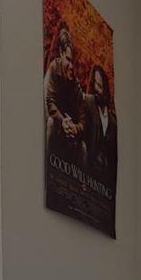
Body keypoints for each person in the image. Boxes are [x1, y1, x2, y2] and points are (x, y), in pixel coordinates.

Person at [43, 22, 86, 172]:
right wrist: (63, 121)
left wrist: (75, 128)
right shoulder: (54, 69)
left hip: (70, 134)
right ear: (61, 53)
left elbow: (83, 119)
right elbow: (50, 102)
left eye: (73, 61)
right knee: (50, 124)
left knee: (83, 148)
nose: (71, 66)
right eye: (68, 59)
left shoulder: (76, 85)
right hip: (56, 125)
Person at [84, 65, 117, 186]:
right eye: (95, 84)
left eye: (100, 86)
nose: (96, 89)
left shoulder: (113, 122)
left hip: (104, 182)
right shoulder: (88, 102)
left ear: (106, 90)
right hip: (88, 173)